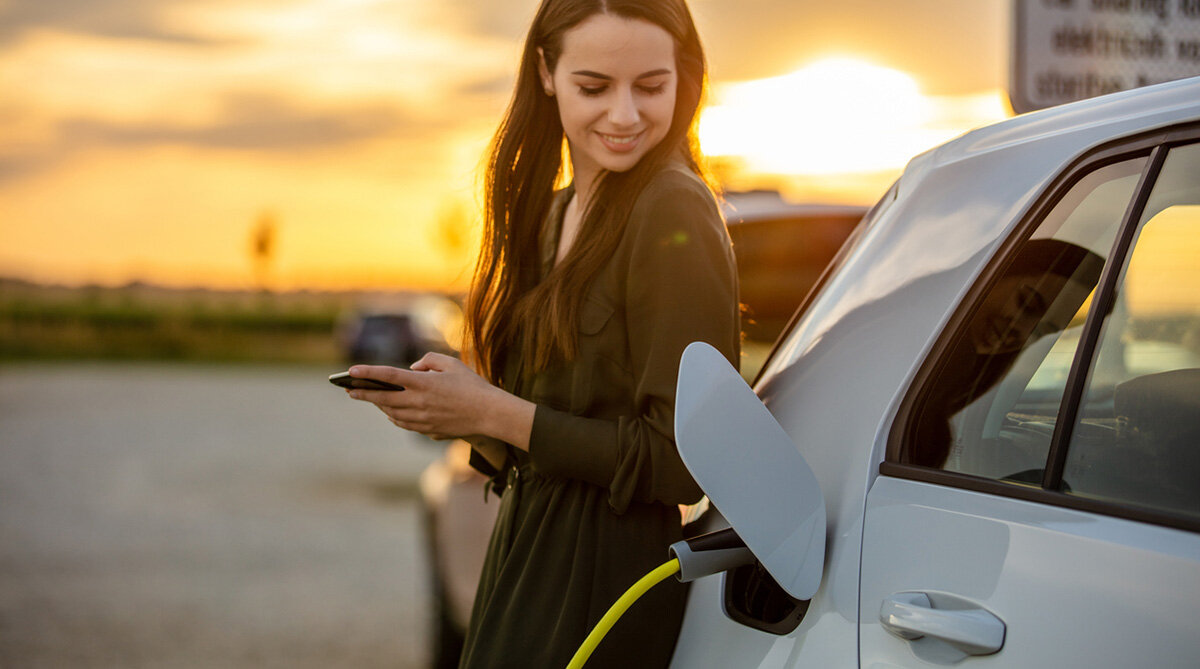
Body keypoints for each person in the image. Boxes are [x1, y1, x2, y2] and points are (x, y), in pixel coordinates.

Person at [344, 0, 740, 666]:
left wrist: (492, 409)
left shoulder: (671, 207)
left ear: (684, 77)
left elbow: (682, 462)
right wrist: (456, 409)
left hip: (606, 583)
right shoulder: (555, 214)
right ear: (546, 73)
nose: (624, 114)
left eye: (651, 86)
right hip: (525, 555)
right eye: (594, 87)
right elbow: (551, 423)